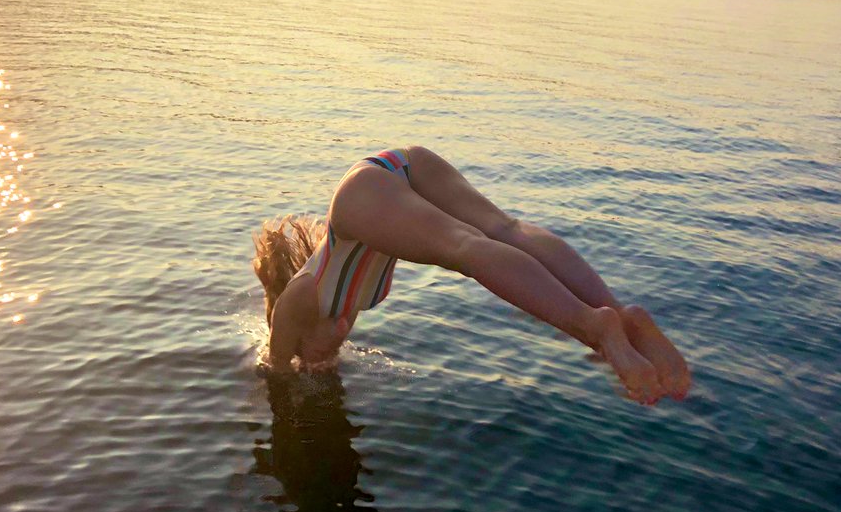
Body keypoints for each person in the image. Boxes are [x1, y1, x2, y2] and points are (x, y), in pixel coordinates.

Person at [252, 147, 690, 405]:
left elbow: (275, 369)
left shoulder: (300, 300)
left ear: (298, 335)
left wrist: (281, 371)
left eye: (310, 356)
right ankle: (618, 316)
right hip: (402, 163)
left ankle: (597, 328)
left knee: (467, 248)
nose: (322, 361)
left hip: (360, 192)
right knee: (505, 230)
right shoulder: (341, 306)